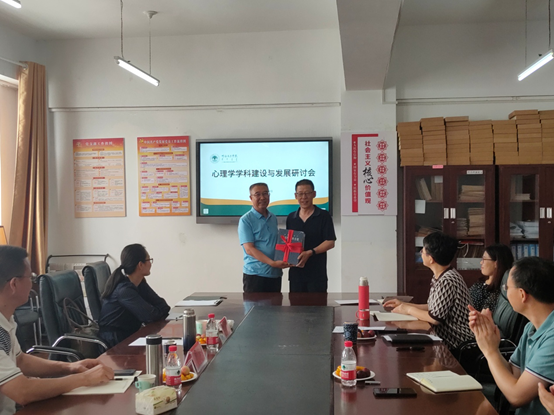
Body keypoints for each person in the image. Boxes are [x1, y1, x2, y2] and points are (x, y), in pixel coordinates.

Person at [0, 245, 113, 414]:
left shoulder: (6, 319)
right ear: (14, 284)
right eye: (30, 277)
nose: (32, 283)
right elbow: (22, 391)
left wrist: (70, 367)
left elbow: (20, 360)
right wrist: (84, 378)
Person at [469, 257, 554, 415]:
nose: (505, 292)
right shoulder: (531, 327)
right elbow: (513, 374)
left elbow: (516, 396)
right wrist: (492, 345)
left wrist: (490, 351)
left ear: (522, 294)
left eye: (506, 287)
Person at [384, 231, 474, 350]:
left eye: (423, 250)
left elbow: (434, 318)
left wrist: (409, 309)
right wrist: (403, 305)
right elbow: (433, 308)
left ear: (431, 259)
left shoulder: (447, 280)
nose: (421, 252)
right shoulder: (442, 275)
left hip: (458, 343)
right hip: (446, 339)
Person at [98, 244, 170, 348]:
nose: (150, 263)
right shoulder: (124, 290)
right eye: (149, 260)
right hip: (114, 343)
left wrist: (156, 312)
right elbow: (150, 316)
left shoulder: (140, 283)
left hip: (129, 336)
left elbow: (163, 306)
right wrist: (155, 312)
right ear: (140, 265)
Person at [285, 179, 336, 293]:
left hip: (317, 275)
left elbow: (330, 242)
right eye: (300, 194)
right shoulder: (291, 218)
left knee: (318, 304)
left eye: (307, 193)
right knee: (295, 304)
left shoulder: (323, 216)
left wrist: (310, 252)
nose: (304, 197)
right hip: (296, 275)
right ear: (295, 196)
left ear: (314, 194)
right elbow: (288, 244)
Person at [238, 183, 289, 293]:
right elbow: (249, 249)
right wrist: (272, 263)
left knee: (276, 304)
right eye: (257, 194)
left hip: (275, 274)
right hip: (255, 275)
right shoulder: (245, 220)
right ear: (251, 198)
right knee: (254, 305)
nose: (262, 197)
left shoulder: (273, 217)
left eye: (265, 193)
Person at [469, 244, 514, 313]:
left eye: (484, 259)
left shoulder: (501, 292)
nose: (481, 262)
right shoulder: (480, 283)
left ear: (496, 263)